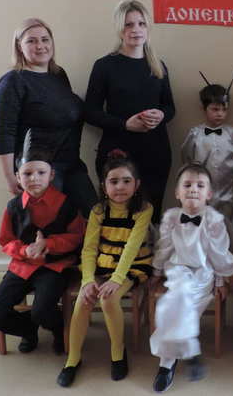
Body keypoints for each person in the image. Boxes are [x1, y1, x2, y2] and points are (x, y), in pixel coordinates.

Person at [0, 131, 85, 356]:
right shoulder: (13, 207)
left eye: (41, 172)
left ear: (51, 175)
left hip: (54, 267)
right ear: (18, 177)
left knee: (42, 311)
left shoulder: (66, 205)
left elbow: (77, 236)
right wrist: (25, 250)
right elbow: (5, 239)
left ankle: (58, 329)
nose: (34, 178)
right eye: (27, 173)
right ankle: (28, 330)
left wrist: (48, 244)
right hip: (22, 266)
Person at [57, 150, 154, 387]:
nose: (120, 187)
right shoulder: (98, 211)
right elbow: (89, 249)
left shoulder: (144, 209)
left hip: (132, 265)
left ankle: (117, 353)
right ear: (104, 186)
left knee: (109, 300)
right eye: (114, 181)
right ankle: (73, 359)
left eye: (126, 181)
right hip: (103, 263)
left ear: (136, 184)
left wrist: (117, 279)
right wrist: (88, 280)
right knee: (83, 300)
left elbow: (131, 247)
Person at [0, 18, 96, 216]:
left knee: (94, 218)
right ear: (19, 46)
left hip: (72, 165)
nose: (40, 46)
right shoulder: (13, 81)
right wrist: (11, 178)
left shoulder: (58, 75)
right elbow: (4, 132)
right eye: (31, 41)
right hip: (39, 172)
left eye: (45, 39)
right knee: (49, 227)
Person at [150, 162, 233, 393]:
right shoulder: (171, 217)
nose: (193, 190)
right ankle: (178, 359)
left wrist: (220, 280)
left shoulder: (213, 219)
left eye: (200, 185)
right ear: (177, 192)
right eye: (187, 185)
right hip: (178, 270)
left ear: (209, 194)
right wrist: (156, 271)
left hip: (203, 273)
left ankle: (174, 360)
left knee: (186, 305)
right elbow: (165, 247)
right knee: (177, 298)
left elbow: (219, 253)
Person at [84, 0, 175, 223]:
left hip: (156, 152)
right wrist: (124, 124)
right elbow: (90, 112)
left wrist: (162, 116)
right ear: (119, 29)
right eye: (129, 24)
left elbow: (170, 108)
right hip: (117, 150)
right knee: (117, 216)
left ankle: (148, 247)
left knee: (151, 214)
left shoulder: (158, 65)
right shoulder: (104, 66)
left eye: (141, 24)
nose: (136, 30)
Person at [181, 71, 233, 249]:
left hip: (229, 193)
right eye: (215, 109)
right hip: (202, 192)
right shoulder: (195, 134)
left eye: (224, 109)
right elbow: (187, 161)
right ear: (204, 108)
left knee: (227, 226)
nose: (220, 114)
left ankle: (226, 257)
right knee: (201, 225)